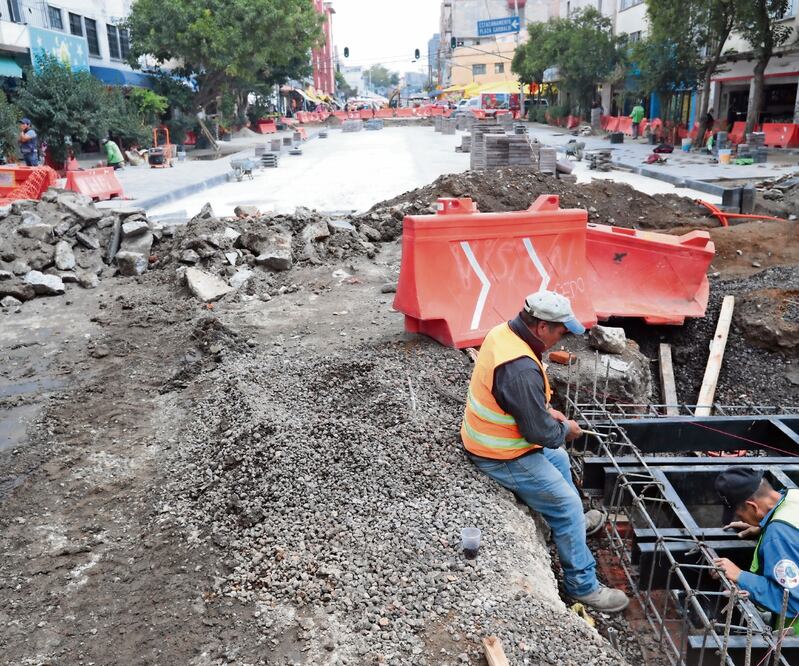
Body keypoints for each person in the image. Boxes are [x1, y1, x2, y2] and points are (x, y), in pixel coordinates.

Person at [460, 291, 630, 614]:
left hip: (500, 438)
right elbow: (538, 433)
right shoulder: (519, 368)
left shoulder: (507, 334)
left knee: (561, 460)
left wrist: (548, 414)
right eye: (560, 330)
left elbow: (523, 406)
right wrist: (565, 429)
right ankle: (582, 585)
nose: (562, 337)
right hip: (498, 453)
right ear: (540, 327)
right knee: (565, 503)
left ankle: (571, 526)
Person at [714, 468, 799, 631]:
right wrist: (763, 526)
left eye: (740, 515)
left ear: (752, 506)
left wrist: (740, 576)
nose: (741, 519)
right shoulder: (793, 496)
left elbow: (792, 601)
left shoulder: (778, 535)